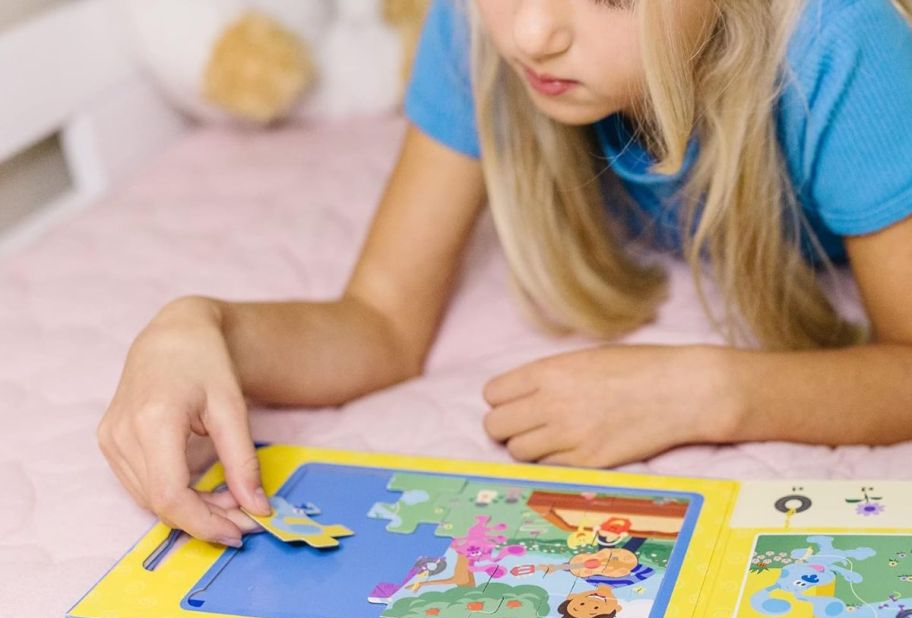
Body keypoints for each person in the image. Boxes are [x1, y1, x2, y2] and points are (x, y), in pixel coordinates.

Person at [98, 0, 912, 547]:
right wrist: (201, 327)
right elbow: (380, 321)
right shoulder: (477, 27)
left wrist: (703, 392)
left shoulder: (843, 46)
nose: (529, 35)